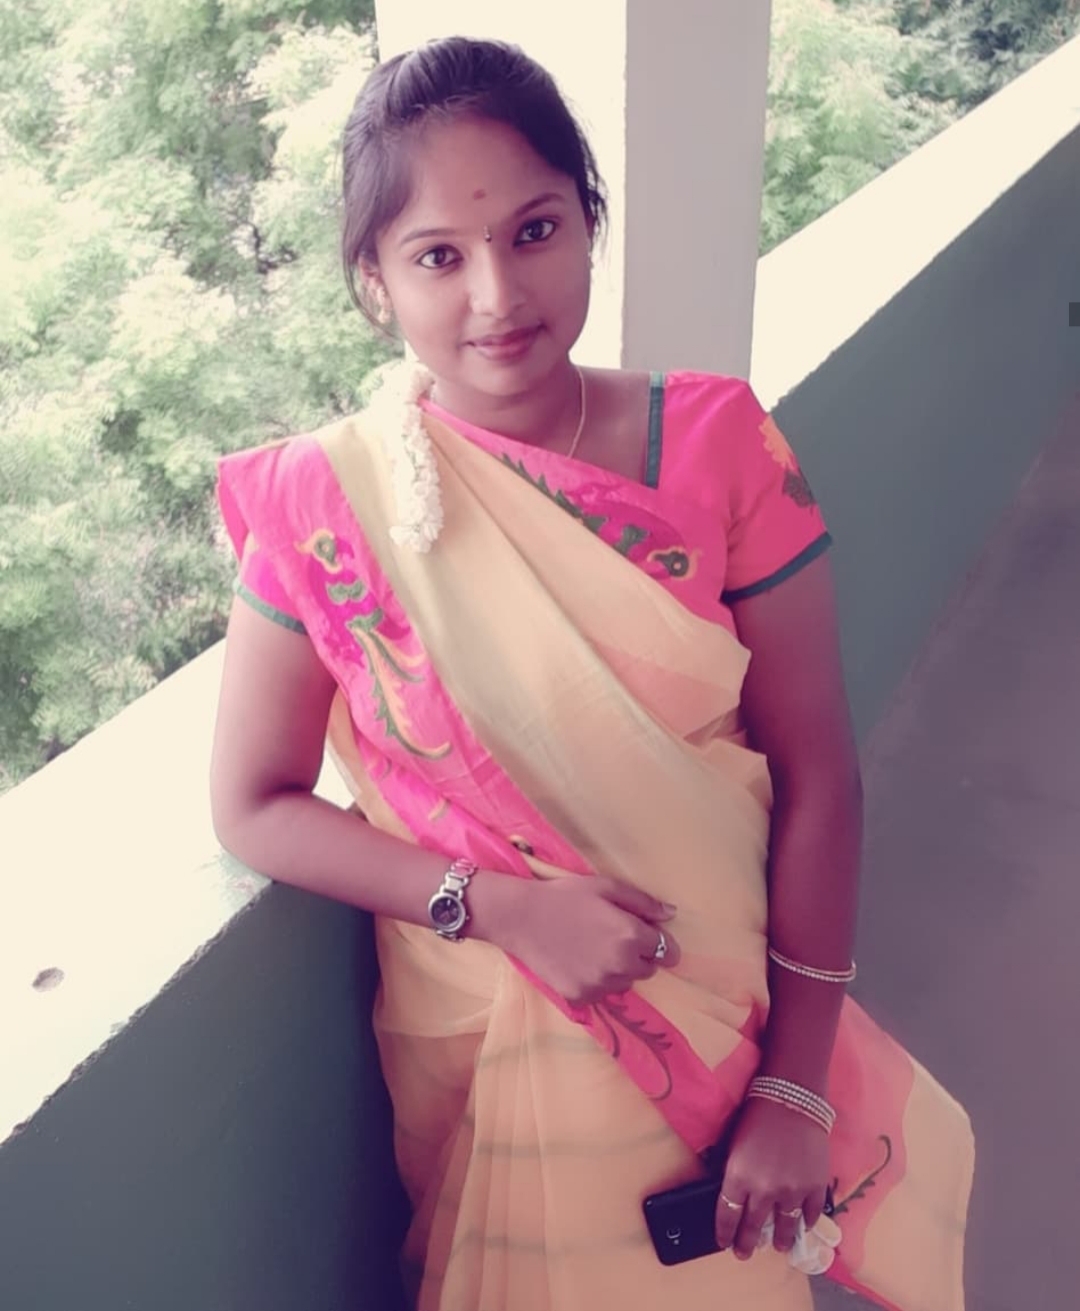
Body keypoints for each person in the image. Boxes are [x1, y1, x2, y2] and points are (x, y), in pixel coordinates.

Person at [210, 35, 973, 1311]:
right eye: (438, 256)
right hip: (484, 1014)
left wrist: (797, 1082)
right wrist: (497, 908)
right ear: (374, 283)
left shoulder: (721, 443)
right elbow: (252, 805)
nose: (498, 294)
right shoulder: (323, 508)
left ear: (587, 222)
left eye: (535, 230)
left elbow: (819, 773)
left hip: (722, 1011)